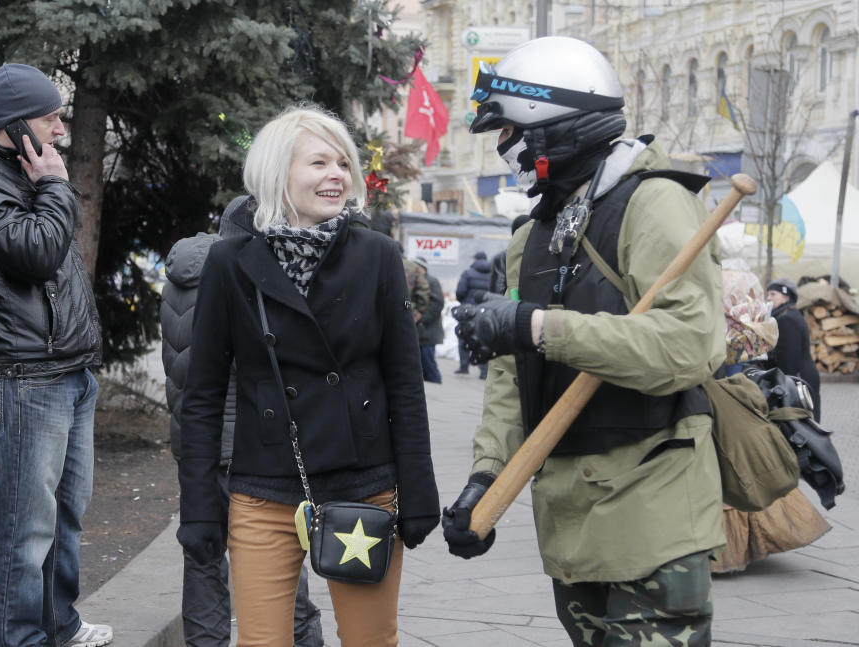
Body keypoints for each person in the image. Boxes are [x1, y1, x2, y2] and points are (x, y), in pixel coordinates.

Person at [443, 37, 727, 644]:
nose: (503, 152)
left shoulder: (656, 203)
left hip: (653, 514)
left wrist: (540, 327)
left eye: (508, 134)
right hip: (572, 518)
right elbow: (510, 376)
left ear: (552, 130)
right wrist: (487, 477)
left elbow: (688, 347)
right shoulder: (531, 238)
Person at [177, 105, 440, 647]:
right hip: (263, 489)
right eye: (319, 162)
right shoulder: (231, 262)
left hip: (363, 488)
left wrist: (418, 490)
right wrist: (200, 506)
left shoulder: (378, 256)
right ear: (278, 172)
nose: (337, 175)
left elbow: (405, 385)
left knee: (370, 640)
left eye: (343, 163)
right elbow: (200, 395)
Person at [0, 63, 109, 647]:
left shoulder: (27, 165)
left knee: (65, 515)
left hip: (69, 368)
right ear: (17, 123)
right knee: (25, 525)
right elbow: (35, 253)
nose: (60, 129)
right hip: (27, 376)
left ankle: (60, 625)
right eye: (51, 118)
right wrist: (56, 185)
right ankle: (19, 639)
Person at [160, 199, 323, 646]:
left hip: (193, 444)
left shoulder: (180, 276)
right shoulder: (247, 277)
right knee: (279, 559)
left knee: (202, 560)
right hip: (251, 447)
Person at [712, 227, 830, 574]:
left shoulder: (717, 278)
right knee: (749, 457)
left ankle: (725, 548)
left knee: (722, 456)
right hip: (745, 373)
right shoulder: (748, 278)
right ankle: (752, 541)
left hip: (720, 370)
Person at [764, 278, 822, 421]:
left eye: (773, 294)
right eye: (768, 294)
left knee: (803, 424)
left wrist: (785, 385)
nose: (768, 298)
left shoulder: (786, 318)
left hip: (798, 377)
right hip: (800, 376)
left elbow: (789, 357)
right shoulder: (785, 315)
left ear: (786, 297)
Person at [455, 251, 492, 378]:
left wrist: (464, 302)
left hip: (468, 311)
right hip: (485, 312)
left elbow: (460, 292)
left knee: (464, 336)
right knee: (483, 339)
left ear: (475, 260)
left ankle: (464, 367)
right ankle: (483, 371)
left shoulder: (467, 273)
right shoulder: (492, 274)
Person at [413, 256, 444, 384]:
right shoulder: (414, 281)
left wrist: (422, 319)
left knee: (429, 364)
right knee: (420, 366)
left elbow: (437, 304)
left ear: (422, 268)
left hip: (429, 331)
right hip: (419, 332)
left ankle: (437, 385)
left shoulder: (432, 281)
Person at [489, 214, 531, 296]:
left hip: (511, 305)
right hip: (528, 306)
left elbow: (497, 290)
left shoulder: (503, 256)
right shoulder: (537, 256)